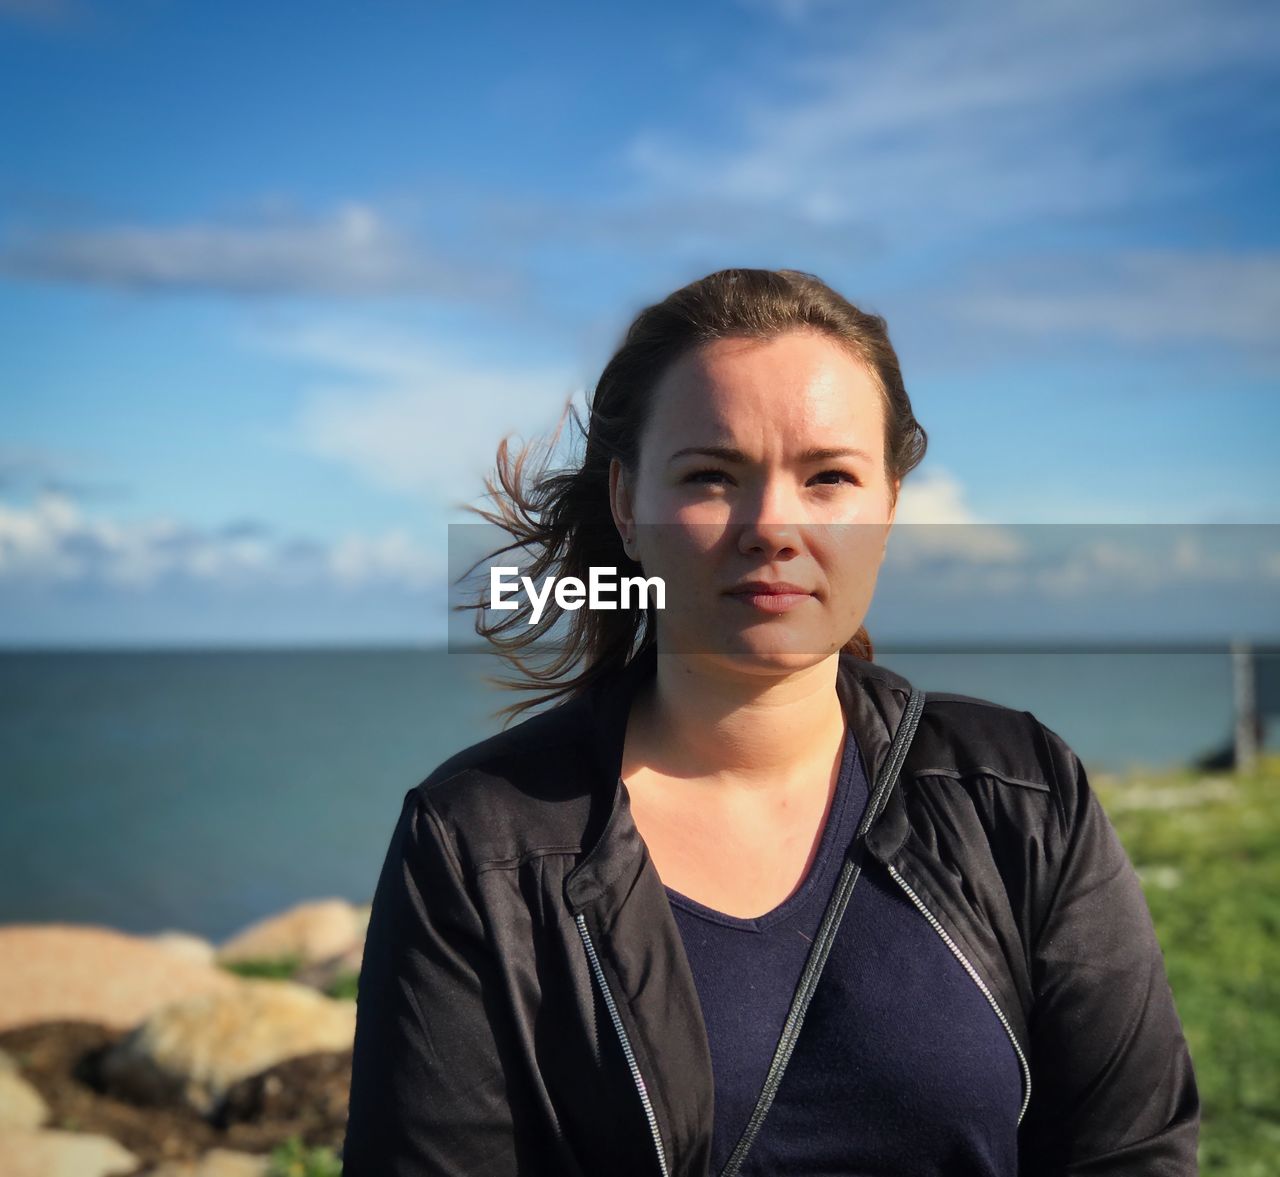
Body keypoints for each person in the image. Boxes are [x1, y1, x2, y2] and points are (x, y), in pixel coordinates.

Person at [341, 268, 1199, 1176]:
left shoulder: (1020, 792)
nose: (772, 526)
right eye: (712, 476)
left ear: (890, 505)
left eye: (829, 476)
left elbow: (1134, 1149)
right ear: (627, 503)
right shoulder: (480, 844)